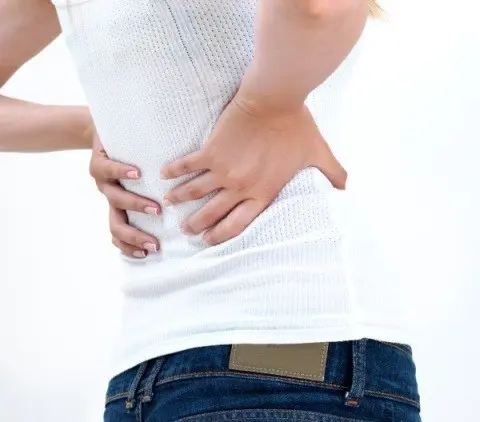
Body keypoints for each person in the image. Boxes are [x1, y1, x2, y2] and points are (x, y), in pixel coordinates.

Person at [0, 0, 421, 421]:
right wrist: (267, 107)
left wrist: (89, 127)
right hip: (296, 341)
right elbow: (318, 8)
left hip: (142, 376)